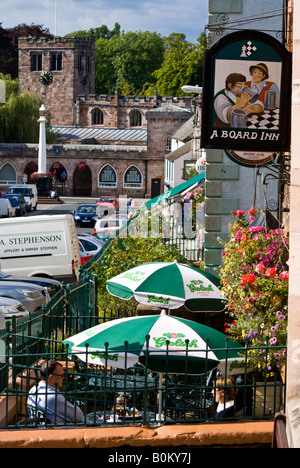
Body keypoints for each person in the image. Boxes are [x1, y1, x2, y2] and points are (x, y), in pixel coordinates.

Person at [27, 360, 84, 425]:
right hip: (56, 432)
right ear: (52, 377)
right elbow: (79, 416)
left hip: (38, 430)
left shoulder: (33, 390)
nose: (63, 378)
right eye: (61, 375)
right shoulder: (52, 397)